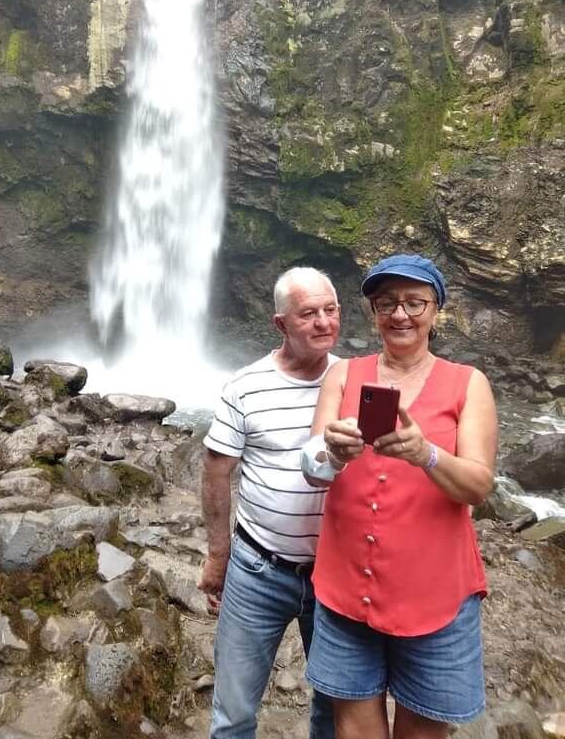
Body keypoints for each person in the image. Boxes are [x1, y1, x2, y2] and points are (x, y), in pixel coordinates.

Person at [303, 254, 498, 739]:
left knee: (423, 732)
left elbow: (479, 485)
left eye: (415, 302)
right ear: (373, 312)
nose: (400, 314)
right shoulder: (343, 374)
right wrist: (333, 452)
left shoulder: (468, 384)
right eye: (387, 303)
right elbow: (312, 468)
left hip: (436, 597)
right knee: (353, 728)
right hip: (346, 590)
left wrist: (425, 454)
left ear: (436, 311)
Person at [199, 267, 341, 739]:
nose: (323, 322)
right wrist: (217, 556)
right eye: (309, 313)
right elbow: (216, 471)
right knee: (234, 712)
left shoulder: (353, 382)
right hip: (258, 569)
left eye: (330, 310)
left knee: (335, 713)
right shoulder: (245, 386)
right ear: (281, 324)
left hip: (335, 575)